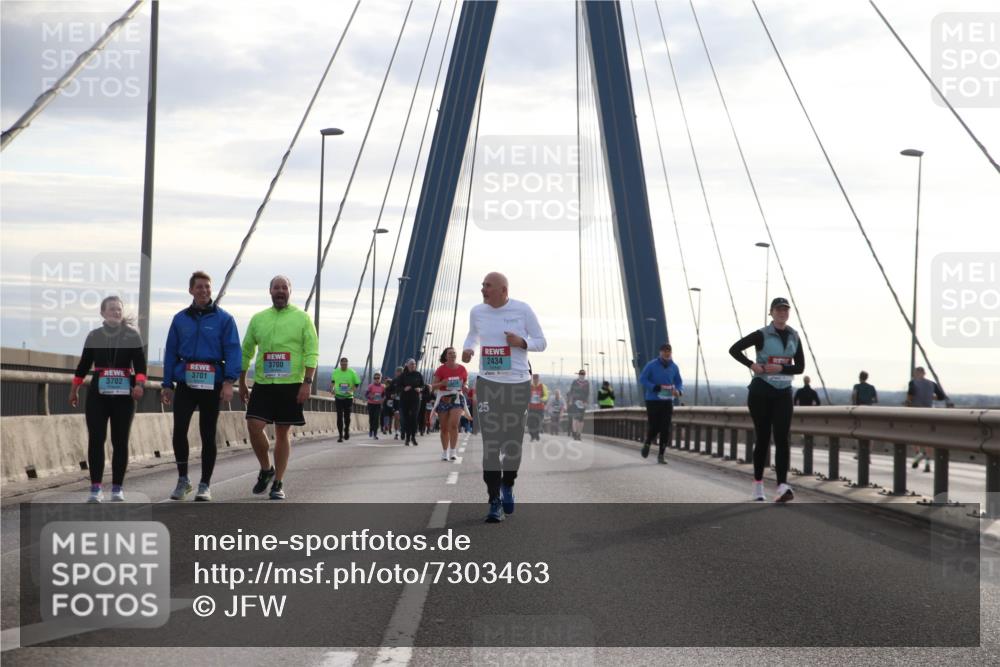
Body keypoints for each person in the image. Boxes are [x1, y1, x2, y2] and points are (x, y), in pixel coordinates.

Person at [462, 272, 546, 523]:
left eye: (487, 286)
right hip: (488, 384)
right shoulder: (478, 311)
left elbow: (541, 342)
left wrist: (521, 342)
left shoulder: (522, 310)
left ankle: (507, 484)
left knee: (512, 444)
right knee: (490, 444)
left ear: (503, 290)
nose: (483, 290)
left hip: (517, 385)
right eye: (482, 286)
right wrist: (468, 349)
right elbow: (472, 335)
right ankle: (493, 500)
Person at [161, 271, 241, 502]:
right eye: (199, 287)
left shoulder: (224, 319)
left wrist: (228, 382)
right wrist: (167, 384)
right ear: (191, 290)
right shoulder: (180, 319)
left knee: (207, 433)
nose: (204, 290)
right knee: (179, 431)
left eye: (207, 287)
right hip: (186, 382)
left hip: (212, 383)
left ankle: (205, 484)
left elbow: (233, 351)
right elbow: (171, 353)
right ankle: (183, 479)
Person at [239, 275, 318, 500]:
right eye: (276, 287)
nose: (280, 291)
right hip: (263, 383)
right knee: (254, 425)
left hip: (291, 384)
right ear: (270, 291)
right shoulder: (258, 319)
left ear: (290, 291)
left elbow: (311, 351)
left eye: (284, 287)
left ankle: (278, 482)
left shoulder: (302, 318)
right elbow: (246, 351)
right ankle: (266, 469)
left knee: (283, 432)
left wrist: (307, 382)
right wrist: (242, 380)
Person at [71, 296, 147, 503]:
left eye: (119, 310)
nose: (116, 313)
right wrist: (74, 388)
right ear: (102, 313)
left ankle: (117, 488)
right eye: (112, 309)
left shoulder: (132, 336)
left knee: (120, 441)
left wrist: (139, 385)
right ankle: (95, 488)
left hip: (124, 396)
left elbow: (140, 366)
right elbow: (84, 365)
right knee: (96, 439)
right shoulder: (94, 336)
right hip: (98, 395)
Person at [729, 297, 805, 503]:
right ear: (771, 313)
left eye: (785, 310)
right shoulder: (761, 334)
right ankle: (758, 485)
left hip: (783, 392)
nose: (782, 313)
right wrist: (751, 364)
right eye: (778, 310)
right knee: (763, 438)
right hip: (761, 391)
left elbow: (800, 367)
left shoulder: (794, 336)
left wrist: (782, 368)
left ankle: (782, 486)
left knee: (782, 439)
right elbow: (734, 349)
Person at [638, 344, 684, 464]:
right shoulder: (651, 365)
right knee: (655, 426)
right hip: (653, 400)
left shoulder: (674, 367)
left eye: (668, 351)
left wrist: (678, 391)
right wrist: (654, 387)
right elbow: (642, 378)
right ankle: (648, 442)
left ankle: (661, 455)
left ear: (671, 353)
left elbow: (679, 382)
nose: (666, 353)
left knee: (666, 428)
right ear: (660, 352)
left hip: (667, 400)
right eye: (664, 351)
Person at [907, 366, 951, 472]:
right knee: (928, 439)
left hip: (916, 413)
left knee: (915, 436)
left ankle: (918, 455)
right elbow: (941, 396)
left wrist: (908, 404)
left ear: (916, 374)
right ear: (924, 373)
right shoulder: (932, 384)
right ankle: (927, 462)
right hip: (929, 413)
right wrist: (931, 397)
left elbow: (910, 396)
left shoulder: (913, 383)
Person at [432, 347, 468, 461]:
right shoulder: (440, 370)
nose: (452, 355)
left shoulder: (462, 368)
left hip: (457, 398)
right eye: (450, 353)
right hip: (443, 398)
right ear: (445, 356)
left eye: (454, 353)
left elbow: (465, 382)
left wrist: (465, 386)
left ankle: (453, 451)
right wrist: (442, 383)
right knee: (444, 428)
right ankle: (444, 452)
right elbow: (433, 386)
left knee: (453, 425)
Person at [396, 359, 424, 445]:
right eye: (411, 364)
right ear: (407, 365)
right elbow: (397, 387)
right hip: (405, 399)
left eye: (414, 364)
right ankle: (407, 438)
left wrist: (420, 389)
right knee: (406, 419)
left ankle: (413, 437)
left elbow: (423, 385)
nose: (413, 365)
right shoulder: (403, 375)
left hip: (415, 399)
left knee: (414, 418)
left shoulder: (418, 374)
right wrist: (404, 389)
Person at [331, 357, 360, 442]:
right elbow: (333, 382)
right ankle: (340, 436)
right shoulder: (335, 371)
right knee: (339, 416)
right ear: (340, 364)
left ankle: (346, 430)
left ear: (348, 364)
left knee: (347, 417)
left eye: (345, 364)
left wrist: (351, 390)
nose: (344, 366)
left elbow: (357, 383)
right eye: (342, 364)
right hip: (338, 396)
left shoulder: (352, 372)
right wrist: (332, 389)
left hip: (348, 397)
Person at [565, 370, 589, 441]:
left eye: (583, 374)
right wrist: (570, 400)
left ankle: (579, 434)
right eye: (581, 374)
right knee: (575, 418)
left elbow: (587, 393)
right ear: (579, 375)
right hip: (575, 402)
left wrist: (586, 402)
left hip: (582, 402)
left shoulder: (587, 383)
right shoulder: (575, 382)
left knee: (581, 420)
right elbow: (571, 391)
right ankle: (575, 433)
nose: (582, 375)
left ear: (584, 375)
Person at [527, 374, 549, 441]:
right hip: (531, 407)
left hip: (540, 408)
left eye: (536, 379)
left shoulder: (543, 386)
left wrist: (542, 399)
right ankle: (532, 435)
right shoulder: (530, 386)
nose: (535, 381)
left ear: (539, 379)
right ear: (533, 380)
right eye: (534, 380)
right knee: (530, 423)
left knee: (538, 422)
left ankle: (536, 435)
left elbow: (546, 396)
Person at [365, 372, 385, 439]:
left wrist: (383, 399)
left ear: (380, 378)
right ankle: (371, 429)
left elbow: (384, 395)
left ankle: (375, 434)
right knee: (371, 418)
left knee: (376, 419)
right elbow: (366, 394)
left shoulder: (383, 387)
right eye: (375, 378)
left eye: (378, 378)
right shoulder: (371, 386)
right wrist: (371, 396)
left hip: (378, 405)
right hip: (371, 404)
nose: (376, 379)